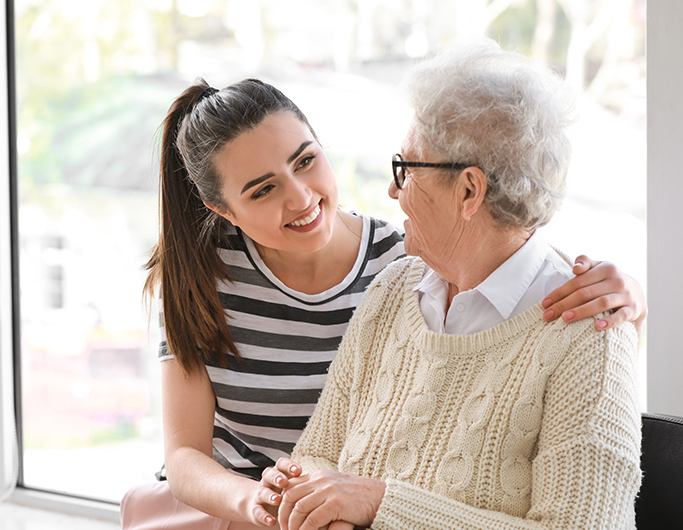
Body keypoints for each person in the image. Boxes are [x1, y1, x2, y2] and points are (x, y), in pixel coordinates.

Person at [120, 73, 646, 529]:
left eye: (306, 161)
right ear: (223, 209)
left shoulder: (398, 261)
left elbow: (510, 243)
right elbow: (192, 454)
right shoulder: (397, 287)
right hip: (237, 503)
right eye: (262, 190)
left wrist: (625, 300)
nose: (301, 198)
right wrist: (269, 498)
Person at [256, 40, 642, 530]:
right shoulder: (395, 287)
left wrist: (381, 505)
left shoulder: (589, 337)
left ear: (468, 190)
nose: (393, 191)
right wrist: (307, 493)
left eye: (407, 169)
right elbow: (319, 453)